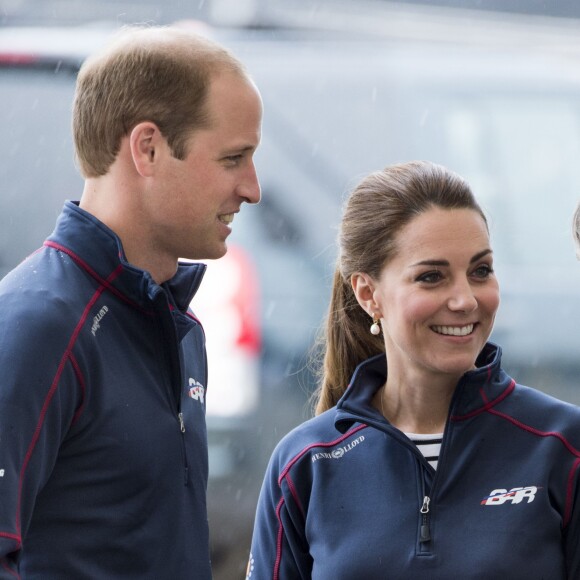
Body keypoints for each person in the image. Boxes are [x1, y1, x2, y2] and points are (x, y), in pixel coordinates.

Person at [0, 25, 262, 578]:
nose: (253, 188)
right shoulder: (38, 324)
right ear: (147, 148)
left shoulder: (176, 324)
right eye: (233, 158)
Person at [246, 160, 580, 579]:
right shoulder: (305, 463)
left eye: (480, 271)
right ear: (369, 294)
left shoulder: (564, 445)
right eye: (431, 277)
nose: (465, 300)